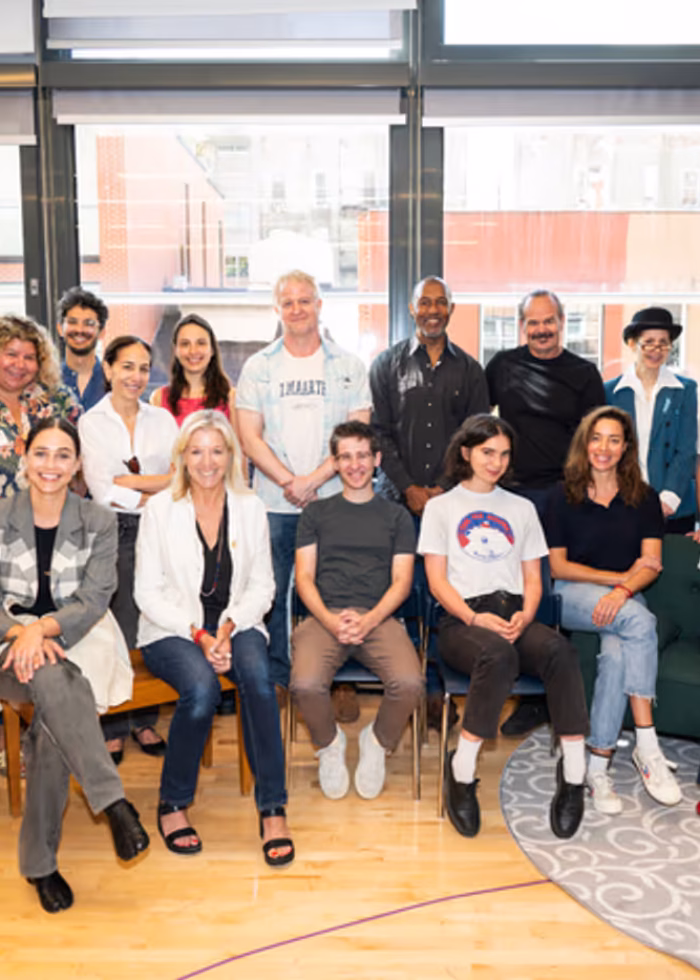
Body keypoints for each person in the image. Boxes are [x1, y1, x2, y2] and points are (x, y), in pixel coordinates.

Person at [0, 418, 149, 913]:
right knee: (51, 679)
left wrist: (42, 629)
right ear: (24, 455)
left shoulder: (98, 521)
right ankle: (112, 802)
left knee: (50, 719)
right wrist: (19, 631)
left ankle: (40, 864)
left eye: (64, 455)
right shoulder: (1, 515)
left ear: (78, 464)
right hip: (6, 644)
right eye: (42, 453)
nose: (51, 466)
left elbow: (94, 598)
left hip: (76, 639)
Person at [418, 414, 588, 840]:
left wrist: (526, 615)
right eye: (487, 452)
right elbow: (437, 582)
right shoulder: (441, 507)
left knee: (561, 651)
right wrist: (475, 618)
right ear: (466, 453)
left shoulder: (521, 508)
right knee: (497, 654)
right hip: (462, 620)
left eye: (503, 454)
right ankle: (461, 772)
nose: (495, 462)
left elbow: (534, 578)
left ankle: (573, 775)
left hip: (515, 613)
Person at [134, 410, 293, 865]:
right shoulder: (161, 509)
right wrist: (201, 635)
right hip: (172, 627)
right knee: (202, 691)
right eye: (197, 451)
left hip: (236, 622)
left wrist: (226, 627)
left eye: (217, 451)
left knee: (260, 683)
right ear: (182, 456)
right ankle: (173, 802)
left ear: (231, 456)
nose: (207, 462)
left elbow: (263, 585)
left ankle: (273, 808)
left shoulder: (250, 507)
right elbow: (147, 592)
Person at [236, 270, 371, 693]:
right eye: (288, 302)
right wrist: (289, 482)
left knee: (338, 587)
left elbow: (357, 434)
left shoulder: (348, 365)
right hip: (274, 503)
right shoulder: (259, 368)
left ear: (318, 305)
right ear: (277, 309)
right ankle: (277, 677)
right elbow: (248, 437)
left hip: (335, 498)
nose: (297, 309)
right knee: (272, 592)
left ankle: (336, 681)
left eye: (304, 300)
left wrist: (313, 480)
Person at [547, 405, 682, 814]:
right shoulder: (561, 494)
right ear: (584, 443)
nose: (603, 448)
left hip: (623, 596)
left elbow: (651, 564)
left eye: (614, 440)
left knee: (618, 654)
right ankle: (646, 743)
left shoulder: (643, 498)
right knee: (640, 620)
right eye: (596, 437)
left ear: (626, 447)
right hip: (571, 594)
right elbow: (557, 566)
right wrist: (616, 583)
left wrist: (623, 589)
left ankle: (598, 768)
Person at [369, 275, 489, 730]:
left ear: (451, 310)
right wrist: (409, 488)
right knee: (400, 594)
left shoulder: (471, 370)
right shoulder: (386, 364)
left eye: (441, 302)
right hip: (396, 502)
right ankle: (404, 685)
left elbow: (477, 437)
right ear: (412, 309)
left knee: (444, 594)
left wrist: (440, 488)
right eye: (425, 302)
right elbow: (380, 432)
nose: (433, 309)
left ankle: (439, 688)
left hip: (451, 501)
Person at [485, 289, 605, 736]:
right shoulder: (503, 366)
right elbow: (481, 423)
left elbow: (596, 438)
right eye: (532, 323)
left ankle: (558, 695)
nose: (541, 330)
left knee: (556, 594)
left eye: (548, 321)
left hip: (563, 496)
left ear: (562, 321)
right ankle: (530, 695)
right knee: (521, 592)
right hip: (513, 496)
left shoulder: (583, 373)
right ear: (523, 326)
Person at [290, 421, 422, 800]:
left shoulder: (397, 517)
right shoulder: (315, 514)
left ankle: (376, 743)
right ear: (334, 463)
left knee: (410, 683)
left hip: (378, 617)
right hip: (323, 616)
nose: (355, 464)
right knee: (304, 684)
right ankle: (329, 745)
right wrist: (331, 620)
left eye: (362, 455)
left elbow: (401, 582)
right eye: (345, 457)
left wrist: (368, 620)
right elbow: (304, 577)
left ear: (376, 459)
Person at [79, 336, 179, 763]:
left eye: (142, 368)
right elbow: (102, 492)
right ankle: (116, 723)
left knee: (152, 620)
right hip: (112, 532)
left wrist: (134, 482)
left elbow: (180, 476)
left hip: (161, 529)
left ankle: (146, 719)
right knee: (118, 622)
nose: (135, 377)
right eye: (126, 367)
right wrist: (155, 488)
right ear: (108, 368)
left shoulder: (163, 420)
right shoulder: (92, 423)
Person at [605, 307, 697, 535]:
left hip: (674, 506)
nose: (656, 350)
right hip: (623, 502)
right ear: (632, 344)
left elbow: (686, 449)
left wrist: (669, 498)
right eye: (648, 342)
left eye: (663, 343)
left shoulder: (685, 390)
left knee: (674, 568)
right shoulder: (610, 392)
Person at [0, 314, 81, 499]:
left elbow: (86, 455)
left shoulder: (60, 399)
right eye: (11, 354)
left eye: (29, 357)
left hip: (58, 517)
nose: (19, 365)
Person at [150, 313, 235, 424]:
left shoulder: (231, 397)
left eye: (201, 343)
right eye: (185, 344)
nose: (193, 351)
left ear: (212, 349)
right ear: (176, 350)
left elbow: (236, 441)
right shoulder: (159, 398)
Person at [57, 286, 109, 411]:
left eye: (89, 324)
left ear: (101, 332)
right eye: (72, 322)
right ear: (60, 329)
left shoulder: (113, 381)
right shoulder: (47, 381)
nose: (79, 330)